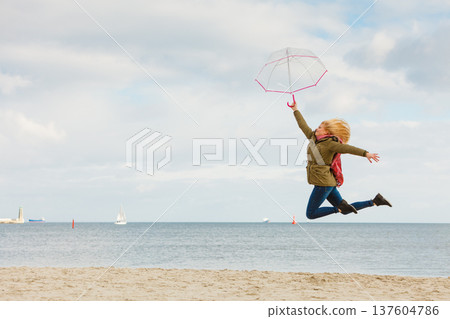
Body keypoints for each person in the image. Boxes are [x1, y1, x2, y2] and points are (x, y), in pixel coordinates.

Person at [289, 101, 392, 220]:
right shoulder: (313, 137)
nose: (317, 128)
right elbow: (303, 125)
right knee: (345, 210)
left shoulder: (330, 144)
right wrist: (295, 110)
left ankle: (339, 208)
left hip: (323, 183)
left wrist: (366, 153)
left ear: (326, 132)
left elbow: (347, 148)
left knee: (311, 214)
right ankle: (375, 201)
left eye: (320, 127)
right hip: (327, 182)